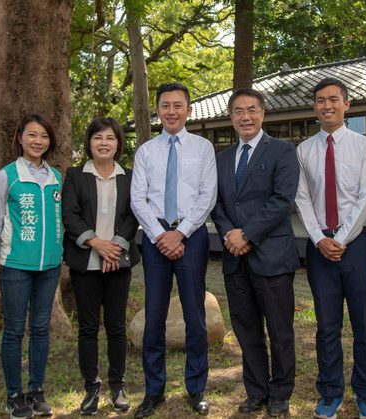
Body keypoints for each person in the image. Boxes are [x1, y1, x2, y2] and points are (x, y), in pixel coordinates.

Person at [295, 77, 366, 419]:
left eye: (334, 99)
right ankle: (330, 392)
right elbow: (302, 199)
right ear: (315, 106)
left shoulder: (364, 146)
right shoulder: (303, 150)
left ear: (347, 104)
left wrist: (341, 238)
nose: (327, 105)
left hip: (357, 244)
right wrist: (319, 239)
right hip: (320, 247)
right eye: (320, 100)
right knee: (326, 325)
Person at [211, 88, 300, 417]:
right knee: (246, 330)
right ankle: (256, 391)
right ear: (231, 116)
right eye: (237, 111)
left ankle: (280, 392)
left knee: (279, 330)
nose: (244, 117)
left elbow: (282, 201)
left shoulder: (282, 151)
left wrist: (247, 234)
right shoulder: (221, 158)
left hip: (272, 256)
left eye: (251, 110)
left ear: (263, 114)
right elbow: (216, 204)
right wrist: (229, 235)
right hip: (236, 260)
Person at [131, 81, 217, 417]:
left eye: (178, 105)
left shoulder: (202, 148)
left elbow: (207, 195)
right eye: (165, 105)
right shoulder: (146, 151)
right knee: (154, 315)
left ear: (189, 110)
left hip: (191, 235)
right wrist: (159, 234)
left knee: (195, 315)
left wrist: (179, 233)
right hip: (153, 239)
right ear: (157, 110)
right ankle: (154, 391)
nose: (171, 111)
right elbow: (138, 198)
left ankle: (196, 388)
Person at [62, 117, 140, 415]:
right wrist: (97, 244)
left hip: (119, 262)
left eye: (110, 138)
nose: (104, 143)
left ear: (119, 143)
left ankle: (118, 386)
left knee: (117, 326)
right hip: (85, 263)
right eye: (98, 137)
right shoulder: (74, 175)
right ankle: (91, 389)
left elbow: (135, 214)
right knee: (88, 327)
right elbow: (69, 215)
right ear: (89, 143)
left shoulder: (130, 176)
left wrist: (116, 245)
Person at [0, 113, 63, 419]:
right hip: (16, 267)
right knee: (14, 330)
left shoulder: (56, 176)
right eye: (32, 135)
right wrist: (6, 256)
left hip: (50, 267)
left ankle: (36, 390)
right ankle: (13, 395)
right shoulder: (6, 176)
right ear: (20, 138)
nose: (38, 141)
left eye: (44, 136)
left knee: (40, 330)